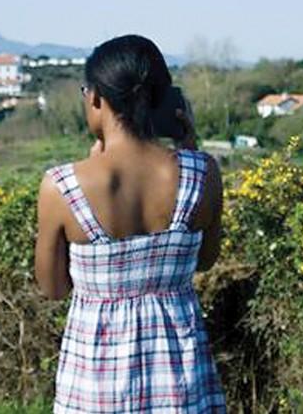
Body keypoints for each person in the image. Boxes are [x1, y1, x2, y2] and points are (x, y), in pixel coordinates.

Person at [35, 34, 227, 413]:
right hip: (180, 384)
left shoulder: (61, 187)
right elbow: (204, 260)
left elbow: (54, 287)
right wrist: (188, 147)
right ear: (161, 99)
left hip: (94, 385)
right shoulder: (203, 173)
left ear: (94, 98)